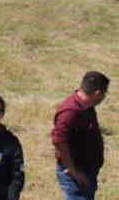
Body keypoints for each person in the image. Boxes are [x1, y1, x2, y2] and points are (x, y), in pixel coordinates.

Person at [52, 71, 109, 199]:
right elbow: (58, 140)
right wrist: (72, 170)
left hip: (86, 170)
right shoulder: (71, 111)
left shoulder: (86, 105)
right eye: (105, 93)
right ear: (98, 93)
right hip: (76, 174)